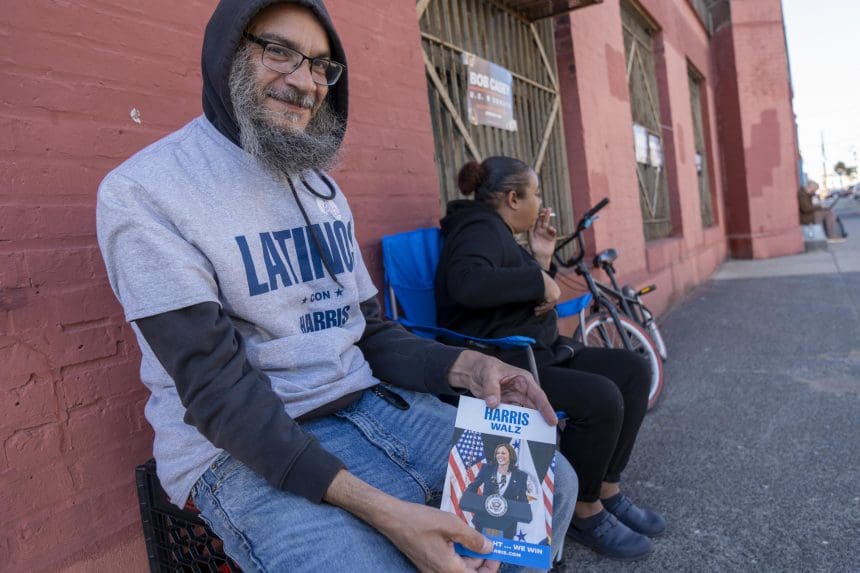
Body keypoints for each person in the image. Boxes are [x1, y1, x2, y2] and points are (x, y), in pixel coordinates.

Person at [95, 3, 578, 571]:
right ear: (225, 51)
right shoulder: (147, 191)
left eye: (323, 66)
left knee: (550, 481)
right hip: (239, 450)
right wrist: (387, 512)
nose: (304, 82)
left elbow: (368, 332)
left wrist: (471, 367)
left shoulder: (322, 189)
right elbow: (219, 395)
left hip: (372, 408)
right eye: (278, 51)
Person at [435, 157, 667, 561]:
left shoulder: (499, 232)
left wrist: (541, 259)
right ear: (512, 198)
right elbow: (466, 283)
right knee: (600, 397)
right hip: (505, 360)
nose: (540, 201)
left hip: (539, 351)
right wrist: (538, 279)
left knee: (633, 369)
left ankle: (606, 489)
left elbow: (516, 297)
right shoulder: (476, 228)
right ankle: (584, 510)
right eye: (535, 192)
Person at [465, 443, 531, 540]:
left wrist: (523, 510)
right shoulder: (487, 469)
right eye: (498, 453)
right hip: (484, 519)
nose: (500, 455)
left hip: (507, 524)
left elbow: (522, 497)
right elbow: (473, 486)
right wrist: (470, 500)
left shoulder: (521, 476)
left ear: (511, 455)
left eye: (503, 453)